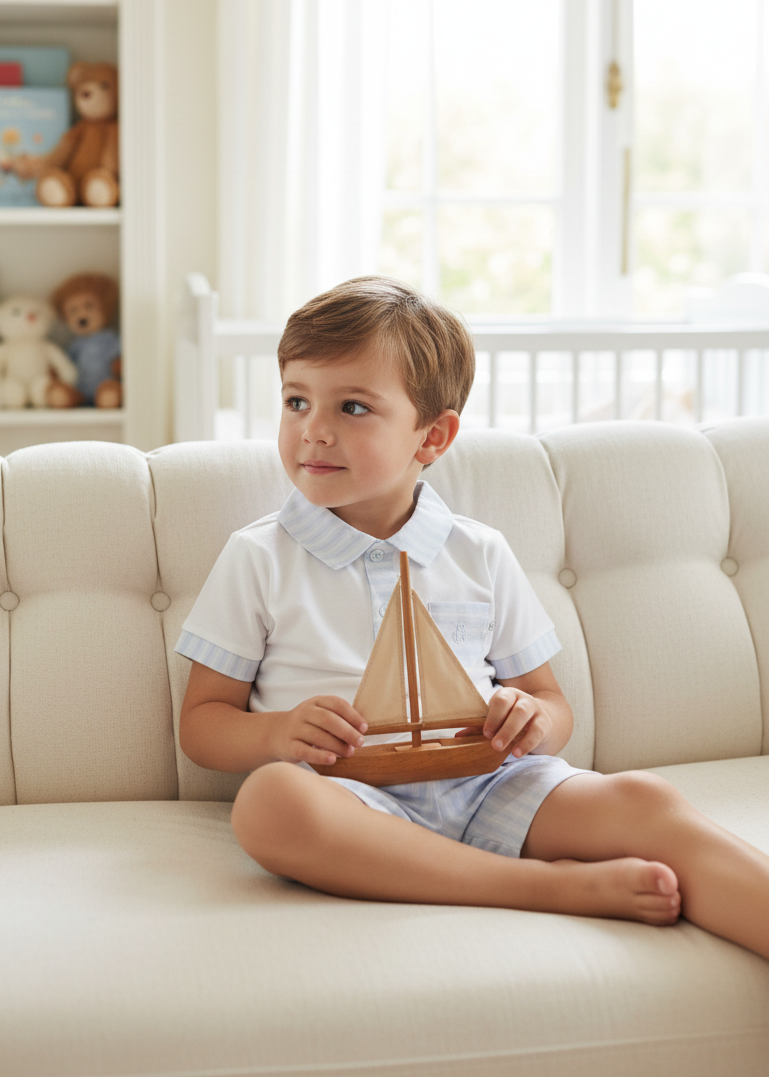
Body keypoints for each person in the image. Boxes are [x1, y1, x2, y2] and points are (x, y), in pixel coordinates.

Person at [176, 276, 768, 959]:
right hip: (351, 799)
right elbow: (202, 724)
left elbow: (550, 700)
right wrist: (278, 733)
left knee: (647, 799)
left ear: (434, 435)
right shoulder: (258, 555)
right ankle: (542, 887)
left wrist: (532, 717)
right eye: (296, 400)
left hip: (493, 782)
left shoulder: (478, 550)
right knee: (270, 803)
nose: (314, 428)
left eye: (354, 406)